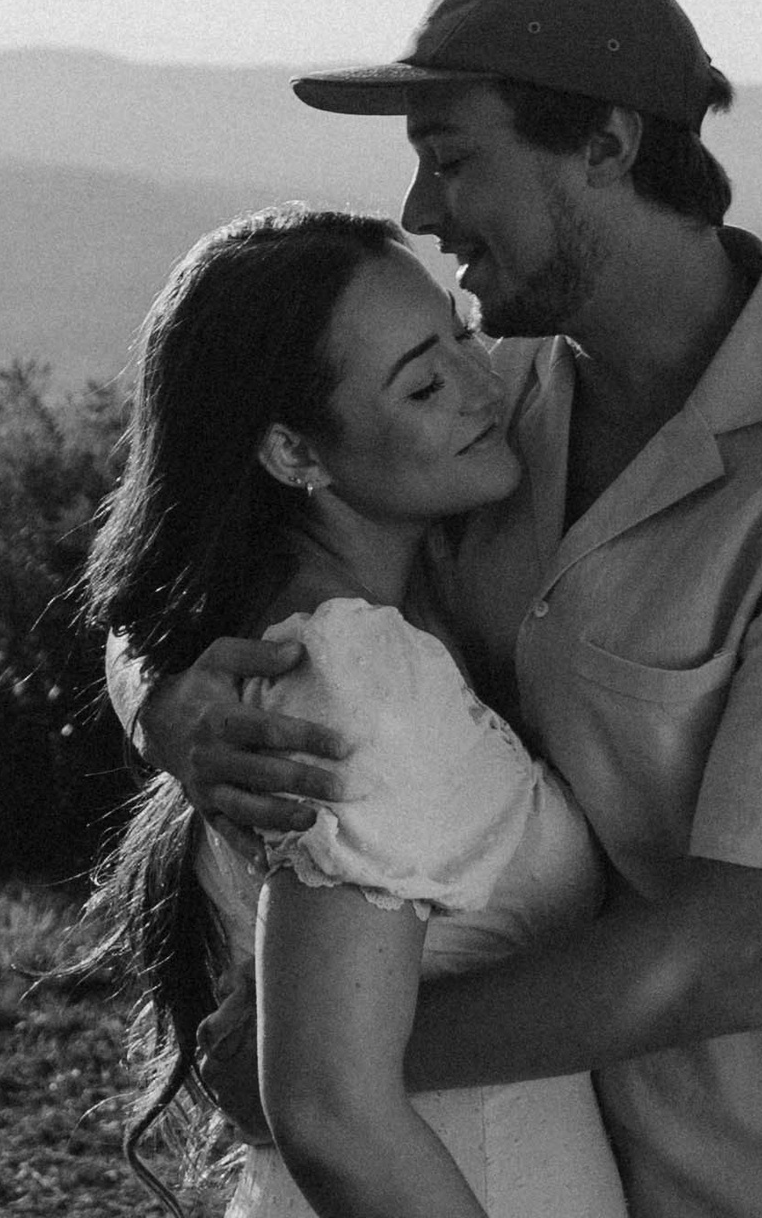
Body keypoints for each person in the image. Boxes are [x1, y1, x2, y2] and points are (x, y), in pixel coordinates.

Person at [119, 0, 762, 1218]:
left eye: (451, 158)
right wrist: (161, 697)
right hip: (570, 1162)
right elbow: (255, 563)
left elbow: (727, 960)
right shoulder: (494, 413)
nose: (422, 210)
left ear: (602, 146)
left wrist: (323, 1071)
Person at [84, 203, 629, 1218]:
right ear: (294, 454)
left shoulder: (289, 638)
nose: (482, 385)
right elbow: (332, 1115)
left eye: (460, 336)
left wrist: (146, 693)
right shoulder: (361, 679)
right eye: (423, 383)